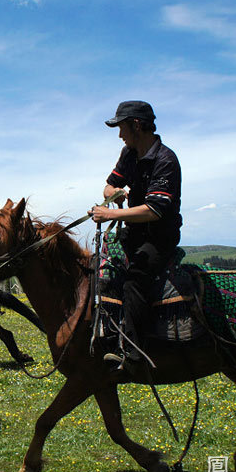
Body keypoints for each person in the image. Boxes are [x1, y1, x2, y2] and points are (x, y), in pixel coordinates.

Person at [88, 101, 182, 372]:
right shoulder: (129, 153)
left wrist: (110, 215)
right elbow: (110, 185)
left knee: (135, 281)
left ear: (137, 126)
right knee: (100, 269)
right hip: (134, 231)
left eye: (122, 128)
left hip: (159, 237)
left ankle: (134, 352)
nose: (120, 135)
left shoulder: (166, 160)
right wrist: (114, 194)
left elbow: (155, 210)